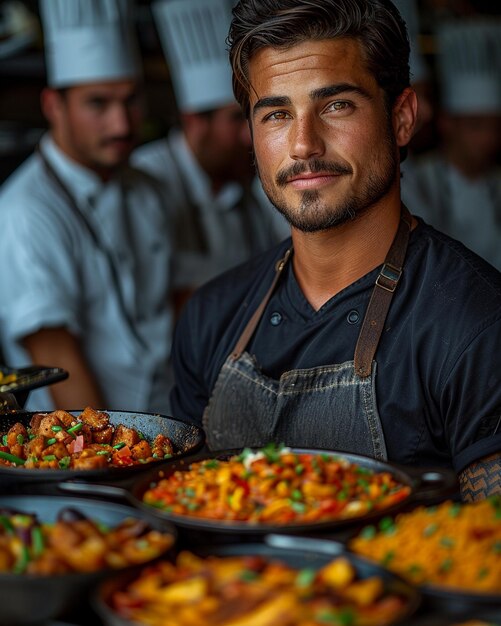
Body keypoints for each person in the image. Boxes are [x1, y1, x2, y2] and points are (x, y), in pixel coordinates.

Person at [169, 0, 501, 501]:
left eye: (336, 105)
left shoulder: (476, 326)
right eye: (277, 114)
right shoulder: (212, 316)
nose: (303, 144)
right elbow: (179, 509)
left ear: (403, 118)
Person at [0, 0, 174, 413]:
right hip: (95, 439)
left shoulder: (149, 188)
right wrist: (112, 460)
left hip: (173, 417)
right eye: (98, 104)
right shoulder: (25, 210)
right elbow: (58, 358)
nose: (122, 124)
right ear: (53, 106)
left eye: (131, 100)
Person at [132, 0, 289, 304]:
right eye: (234, 119)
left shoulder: (246, 183)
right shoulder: (148, 181)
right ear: (194, 123)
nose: (250, 135)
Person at [405, 20, 501, 270]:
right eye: (476, 126)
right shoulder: (417, 182)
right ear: (447, 123)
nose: (488, 138)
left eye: (495, 125)